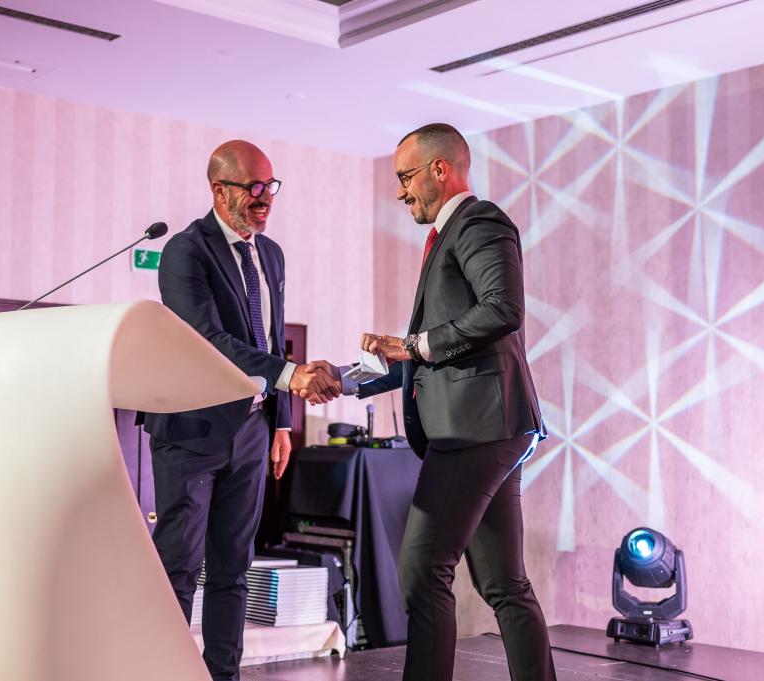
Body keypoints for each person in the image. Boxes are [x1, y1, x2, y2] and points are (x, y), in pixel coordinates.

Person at [320, 123, 556, 681]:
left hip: (476, 429)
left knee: (423, 571)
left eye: (406, 177)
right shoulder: (446, 239)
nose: (401, 192)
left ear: (440, 169)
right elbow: (426, 354)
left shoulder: (479, 222)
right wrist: (345, 379)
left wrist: (413, 344)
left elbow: (502, 309)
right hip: (491, 428)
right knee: (504, 584)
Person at [137, 140, 339, 681]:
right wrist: (291, 376)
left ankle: (222, 675)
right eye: (253, 187)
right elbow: (209, 338)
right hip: (193, 429)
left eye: (270, 186)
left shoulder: (270, 254)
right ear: (219, 190)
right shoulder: (185, 252)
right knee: (180, 564)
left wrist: (281, 421)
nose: (265, 197)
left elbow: (270, 338)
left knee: (233, 567)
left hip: (252, 429)